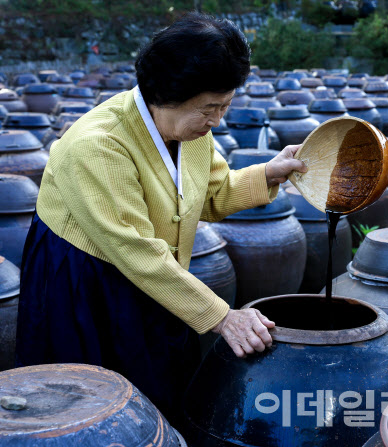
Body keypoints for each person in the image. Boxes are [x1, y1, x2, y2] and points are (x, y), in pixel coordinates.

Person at [15, 12, 307, 427]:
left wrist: (269, 172)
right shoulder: (98, 145)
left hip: (154, 273)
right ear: (166, 93)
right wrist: (223, 316)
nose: (217, 121)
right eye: (209, 108)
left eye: (224, 106)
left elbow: (210, 193)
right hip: (88, 281)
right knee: (94, 404)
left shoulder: (190, 133)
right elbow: (134, 249)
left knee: (158, 388)